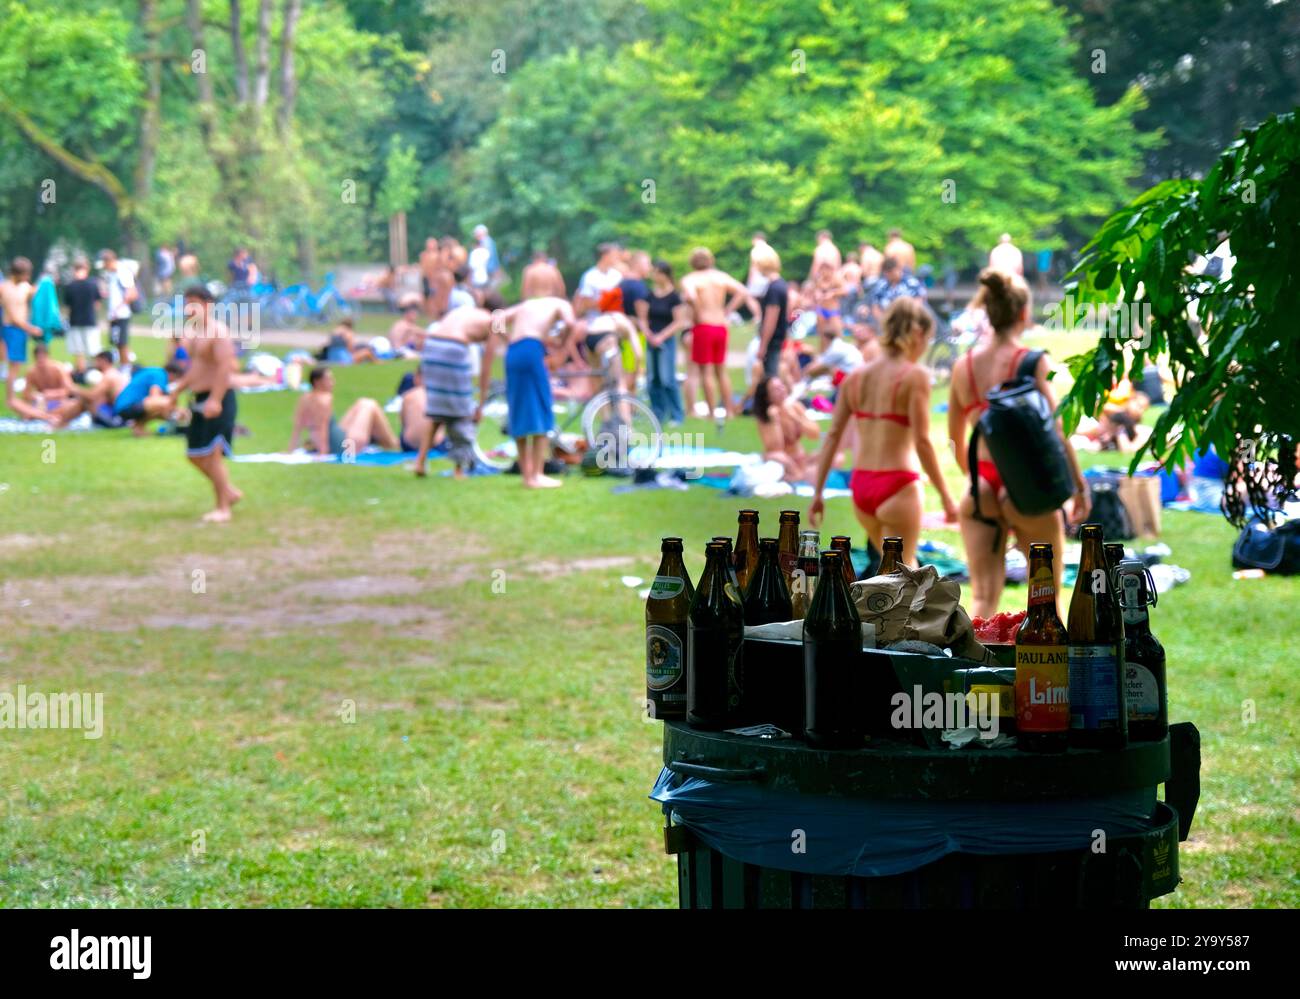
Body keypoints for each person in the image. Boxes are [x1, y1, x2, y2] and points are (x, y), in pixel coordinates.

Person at [947, 269, 1090, 618]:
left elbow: (954, 437)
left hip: (980, 487)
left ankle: (974, 672)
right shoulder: (1031, 361)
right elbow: (1058, 430)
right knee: (1048, 600)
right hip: (1029, 486)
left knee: (981, 599)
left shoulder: (962, 366)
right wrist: (1079, 487)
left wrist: (974, 478)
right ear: (1024, 313)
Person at [809, 298, 959, 567]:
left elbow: (832, 436)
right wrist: (947, 498)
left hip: (862, 487)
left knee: (888, 574)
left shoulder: (854, 378)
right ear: (917, 334)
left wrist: (818, 494)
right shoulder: (914, 376)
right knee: (906, 576)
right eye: (927, 340)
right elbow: (922, 441)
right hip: (898, 485)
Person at [168, 285, 242, 523]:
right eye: (187, 304)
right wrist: (177, 389)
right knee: (194, 454)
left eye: (194, 304)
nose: (189, 309)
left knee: (212, 455)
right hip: (200, 399)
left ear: (208, 305)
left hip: (217, 398)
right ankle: (228, 492)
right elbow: (197, 368)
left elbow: (225, 368)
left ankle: (223, 508)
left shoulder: (218, 332)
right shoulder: (195, 333)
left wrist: (216, 400)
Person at [495, 295, 577, 488]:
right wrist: (560, 342)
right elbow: (571, 323)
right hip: (532, 349)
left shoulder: (527, 304)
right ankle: (537, 475)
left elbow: (496, 318)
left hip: (513, 352)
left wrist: (510, 340)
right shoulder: (561, 303)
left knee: (519, 411)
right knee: (542, 407)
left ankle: (527, 476)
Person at [412, 302, 501, 479]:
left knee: (438, 412)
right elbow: (486, 368)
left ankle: (420, 462)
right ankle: (459, 470)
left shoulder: (468, 311)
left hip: (431, 346)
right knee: (461, 413)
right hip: (453, 349)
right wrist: (480, 405)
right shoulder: (497, 320)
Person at [680, 246, 758, 425]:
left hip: (703, 326)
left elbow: (691, 296)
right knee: (721, 370)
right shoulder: (720, 277)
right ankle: (729, 411)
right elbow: (743, 291)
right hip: (720, 326)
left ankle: (712, 412)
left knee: (705, 370)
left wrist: (697, 311)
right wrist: (727, 311)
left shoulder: (690, 279)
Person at [290, 366, 400, 458]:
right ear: (317, 382)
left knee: (361, 403)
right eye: (329, 379)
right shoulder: (325, 398)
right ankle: (393, 443)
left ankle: (386, 441)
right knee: (369, 404)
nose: (332, 383)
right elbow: (322, 425)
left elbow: (298, 425)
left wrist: (291, 448)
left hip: (336, 441)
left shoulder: (304, 399)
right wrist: (323, 452)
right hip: (346, 447)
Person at [645, 260, 690, 426]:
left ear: (664, 275)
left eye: (656, 272)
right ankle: (657, 412)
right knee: (653, 379)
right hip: (651, 339)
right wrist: (649, 334)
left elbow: (679, 321)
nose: (653, 276)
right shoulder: (651, 294)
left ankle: (677, 414)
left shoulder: (674, 297)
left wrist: (662, 336)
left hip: (666, 340)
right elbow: (644, 316)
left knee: (667, 379)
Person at [753, 375, 821, 482]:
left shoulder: (795, 407)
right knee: (778, 456)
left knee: (832, 455)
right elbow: (776, 447)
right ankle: (797, 476)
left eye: (782, 386)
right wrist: (775, 421)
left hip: (800, 458)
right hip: (782, 462)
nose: (782, 390)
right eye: (776, 389)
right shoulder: (766, 416)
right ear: (767, 396)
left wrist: (796, 418)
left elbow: (815, 434)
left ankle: (800, 476)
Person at [1, 256, 42, 414]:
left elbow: (30, 290)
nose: (27, 278)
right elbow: (13, 317)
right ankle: (10, 399)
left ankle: (12, 397)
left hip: (20, 330)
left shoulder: (23, 285)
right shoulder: (6, 289)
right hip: (13, 329)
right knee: (14, 366)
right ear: (16, 273)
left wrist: (45, 284)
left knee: (17, 366)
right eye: (25, 274)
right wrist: (30, 329)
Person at [752, 244, 789, 379]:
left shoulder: (773, 288)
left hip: (772, 342)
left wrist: (763, 346)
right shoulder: (781, 284)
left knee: (771, 378)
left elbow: (770, 320)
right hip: (778, 339)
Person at [10, 344, 73, 421]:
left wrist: (52, 394)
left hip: (59, 402)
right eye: (38, 359)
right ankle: (46, 416)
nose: (41, 361)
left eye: (43, 358)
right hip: (40, 404)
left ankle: (41, 415)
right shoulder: (32, 372)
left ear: (48, 356)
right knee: (14, 403)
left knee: (71, 405)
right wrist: (35, 396)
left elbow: (68, 391)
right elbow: (26, 394)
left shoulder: (58, 369)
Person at [63, 259, 102, 376]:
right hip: (90, 321)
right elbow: (97, 304)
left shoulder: (70, 286)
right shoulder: (93, 285)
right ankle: (96, 372)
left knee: (78, 350)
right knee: (94, 349)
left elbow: (67, 307)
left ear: (74, 270)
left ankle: (81, 372)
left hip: (75, 321)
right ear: (87, 269)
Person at [100, 249, 137, 367]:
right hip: (114, 314)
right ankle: (123, 365)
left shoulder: (123, 272)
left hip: (121, 314)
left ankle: (126, 368)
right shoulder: (111, 274)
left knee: (122, 343)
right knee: (116, 342)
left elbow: (131, 293)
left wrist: (118, 309)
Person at [868, 255, 926, 326]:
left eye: (891, 272)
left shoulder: (911, 282)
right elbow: (875, 306)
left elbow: (919, 300)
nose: (889, 275)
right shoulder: (881, 286)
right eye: (887, 273)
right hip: (888, 320)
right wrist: (884, 321)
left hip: (909, 318)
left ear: (899, 269)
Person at [468, 224, 500, 290]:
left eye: (476, 233)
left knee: (489, 290)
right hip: (490, 269)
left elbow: (486, 256)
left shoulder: (485, 242)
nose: (475, 235)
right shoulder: (488, 241)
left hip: (489, 269)